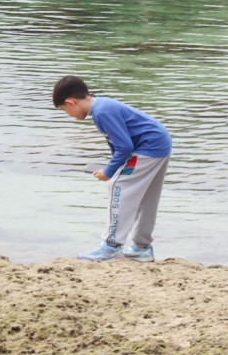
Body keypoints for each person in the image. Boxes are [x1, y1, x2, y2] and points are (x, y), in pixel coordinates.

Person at [52, 75, 172, 262]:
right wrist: (114, 166)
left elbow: (124, 147)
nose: (69, 115)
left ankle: (111, 246)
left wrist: (108, 173)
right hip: (159, 143)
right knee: (147, 197)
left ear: (70, 102)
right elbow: (119, 144)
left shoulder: (101, 113)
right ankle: (142, 247)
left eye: (65, 110)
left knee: (118, 187)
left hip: (147, 148)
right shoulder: (101, 106)